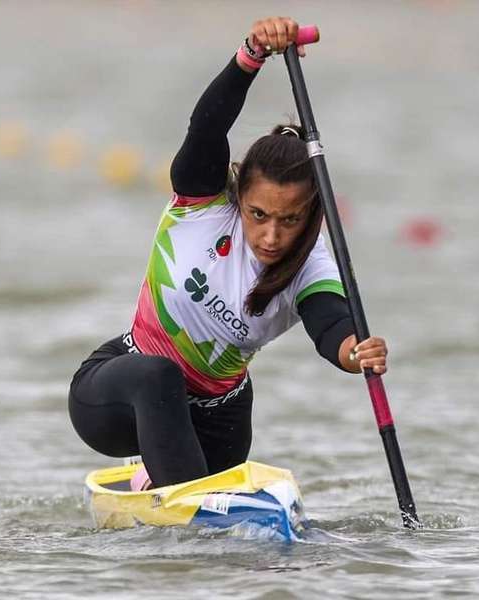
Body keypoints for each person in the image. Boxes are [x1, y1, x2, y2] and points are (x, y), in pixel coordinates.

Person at [69, 16, 388, 490]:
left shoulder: (313, 266)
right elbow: (207, 126)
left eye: (291, 219)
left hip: (222, 417)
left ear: (314, 213)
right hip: (123, 391)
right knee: (159, 376)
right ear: (240, 198)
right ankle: (174, 493)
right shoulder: (202, 203)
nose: (273, 237)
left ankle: (159, 485)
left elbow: (332, 327)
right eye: (258, 215)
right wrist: (250, 56)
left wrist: (356, 353)